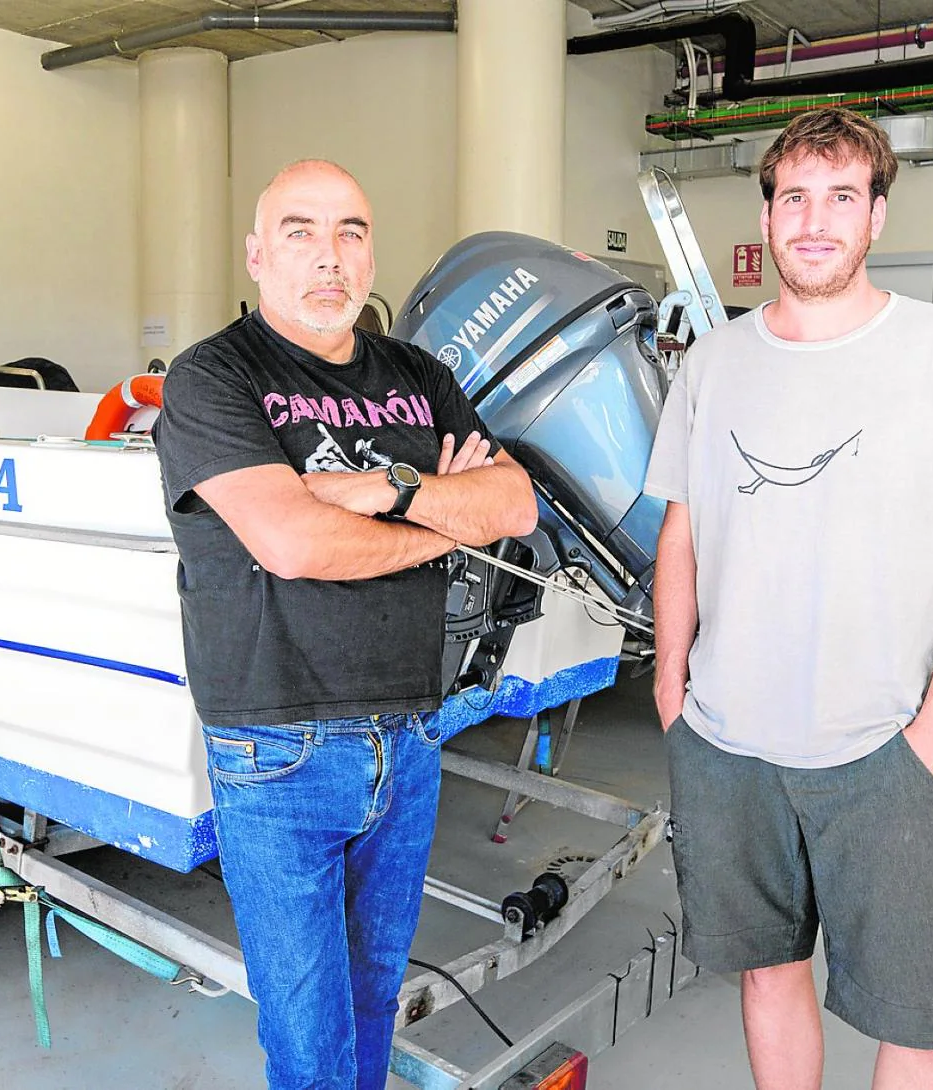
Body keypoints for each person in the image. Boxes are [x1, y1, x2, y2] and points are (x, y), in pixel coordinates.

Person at [645, 107, 933, 1090]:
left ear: (877, 216)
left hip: (886, 751)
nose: (817, 221)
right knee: (770, 976)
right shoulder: (712, 362)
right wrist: (672, 693)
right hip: (727, 748)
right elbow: (681, 532)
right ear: (767, 216)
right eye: (797, 197)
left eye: (842, 197)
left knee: (928, 1028)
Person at [152, 159, 537, 1090]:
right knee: (311, 1044)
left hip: (409, 737)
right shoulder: (212, 378)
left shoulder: (419, 375)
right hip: (278, 753)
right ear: (256, 254)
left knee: (373, 1004)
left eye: (352, 232)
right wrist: (440, 518)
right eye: (300, 231)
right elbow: (291, 543)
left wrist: (381, 491)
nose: (330, 257)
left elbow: (515, 502)